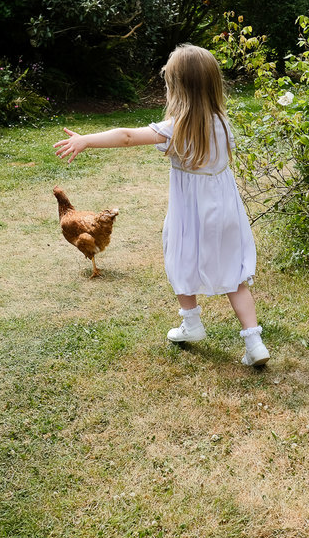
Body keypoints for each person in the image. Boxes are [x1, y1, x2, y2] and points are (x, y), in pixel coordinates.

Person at [53, 44, 269, 367]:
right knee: (234, 276)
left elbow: (126, 136)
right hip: (227, 214)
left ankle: (192, 323)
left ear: (177, 90)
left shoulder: (175, 129)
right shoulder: (223, 124)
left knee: (179, 257)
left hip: (190, 217)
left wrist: (86, 140)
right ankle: (254, 342)